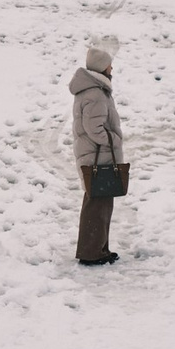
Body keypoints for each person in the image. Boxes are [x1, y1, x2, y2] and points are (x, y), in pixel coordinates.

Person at [69, 46, 126, 266]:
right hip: (98, 156)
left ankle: (98, 248)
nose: (112, 68)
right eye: (110, 65)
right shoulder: (95, 93)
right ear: (103, 67)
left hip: (95, 155)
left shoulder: (94, 89)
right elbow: (94, 128)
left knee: (100, 203)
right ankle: (91, 253)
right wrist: (114, 139)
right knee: (98, 204)